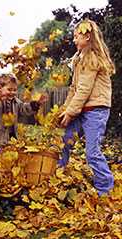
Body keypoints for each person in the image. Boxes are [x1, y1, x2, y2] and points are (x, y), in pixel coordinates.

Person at [58, 19, 115, 196]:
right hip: (82, 109)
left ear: (88, 37)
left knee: (92, 152)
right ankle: (56, 178)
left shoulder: (91, 58)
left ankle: (105, 189)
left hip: (96, 111)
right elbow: (74, 88)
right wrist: (65, 109)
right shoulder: (78, 59)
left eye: (77, 36)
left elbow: (84, 89)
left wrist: (70, 112)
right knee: (64, 141)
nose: (74, 40)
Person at [0, 74, 46, 174]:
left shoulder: (16, 102)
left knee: (3, 162)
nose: (13, 92)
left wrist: (36, 104)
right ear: (0, 88)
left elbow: (24, 109)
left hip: (8, 138)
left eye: (15, 90)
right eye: (9, 89)